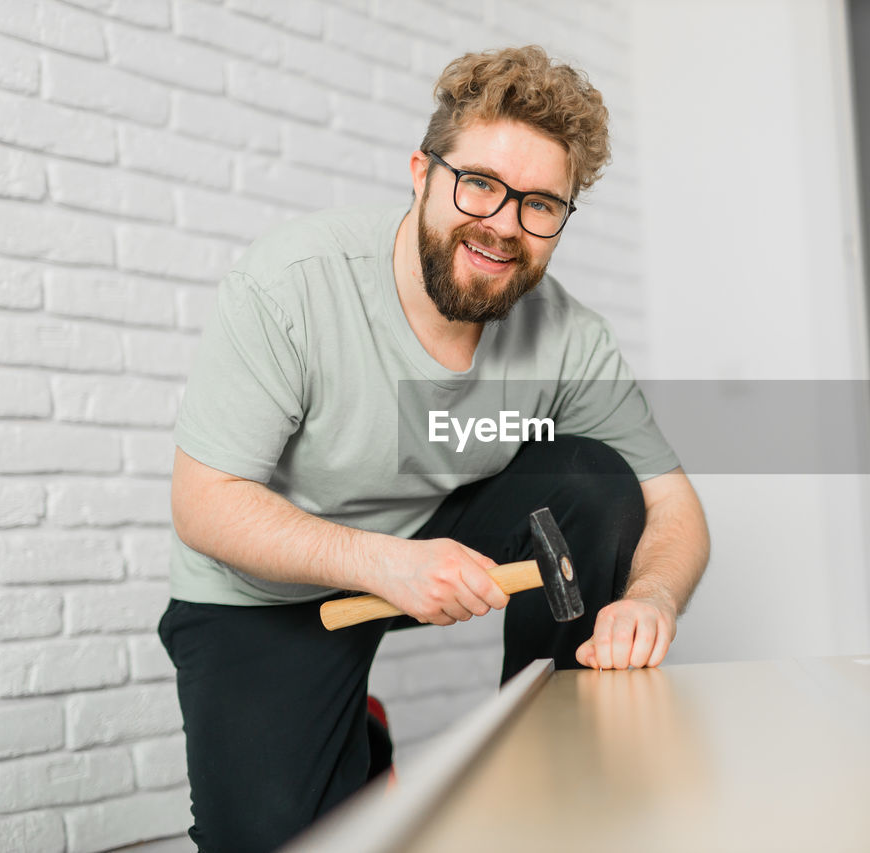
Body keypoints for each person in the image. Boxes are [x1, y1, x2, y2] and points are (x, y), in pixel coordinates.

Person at [159, 45, 709, 852]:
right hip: (262, 591)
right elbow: (204, 503)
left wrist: (652, 599)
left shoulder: (569, 336)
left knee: (594, 477)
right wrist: (382, 563)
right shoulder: (293, 284)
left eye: (540, 205)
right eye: (480, 185)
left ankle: (560, 755)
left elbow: (673, 506)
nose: (503, 226)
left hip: (426, 536)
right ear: (422, 171)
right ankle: (360, 743)